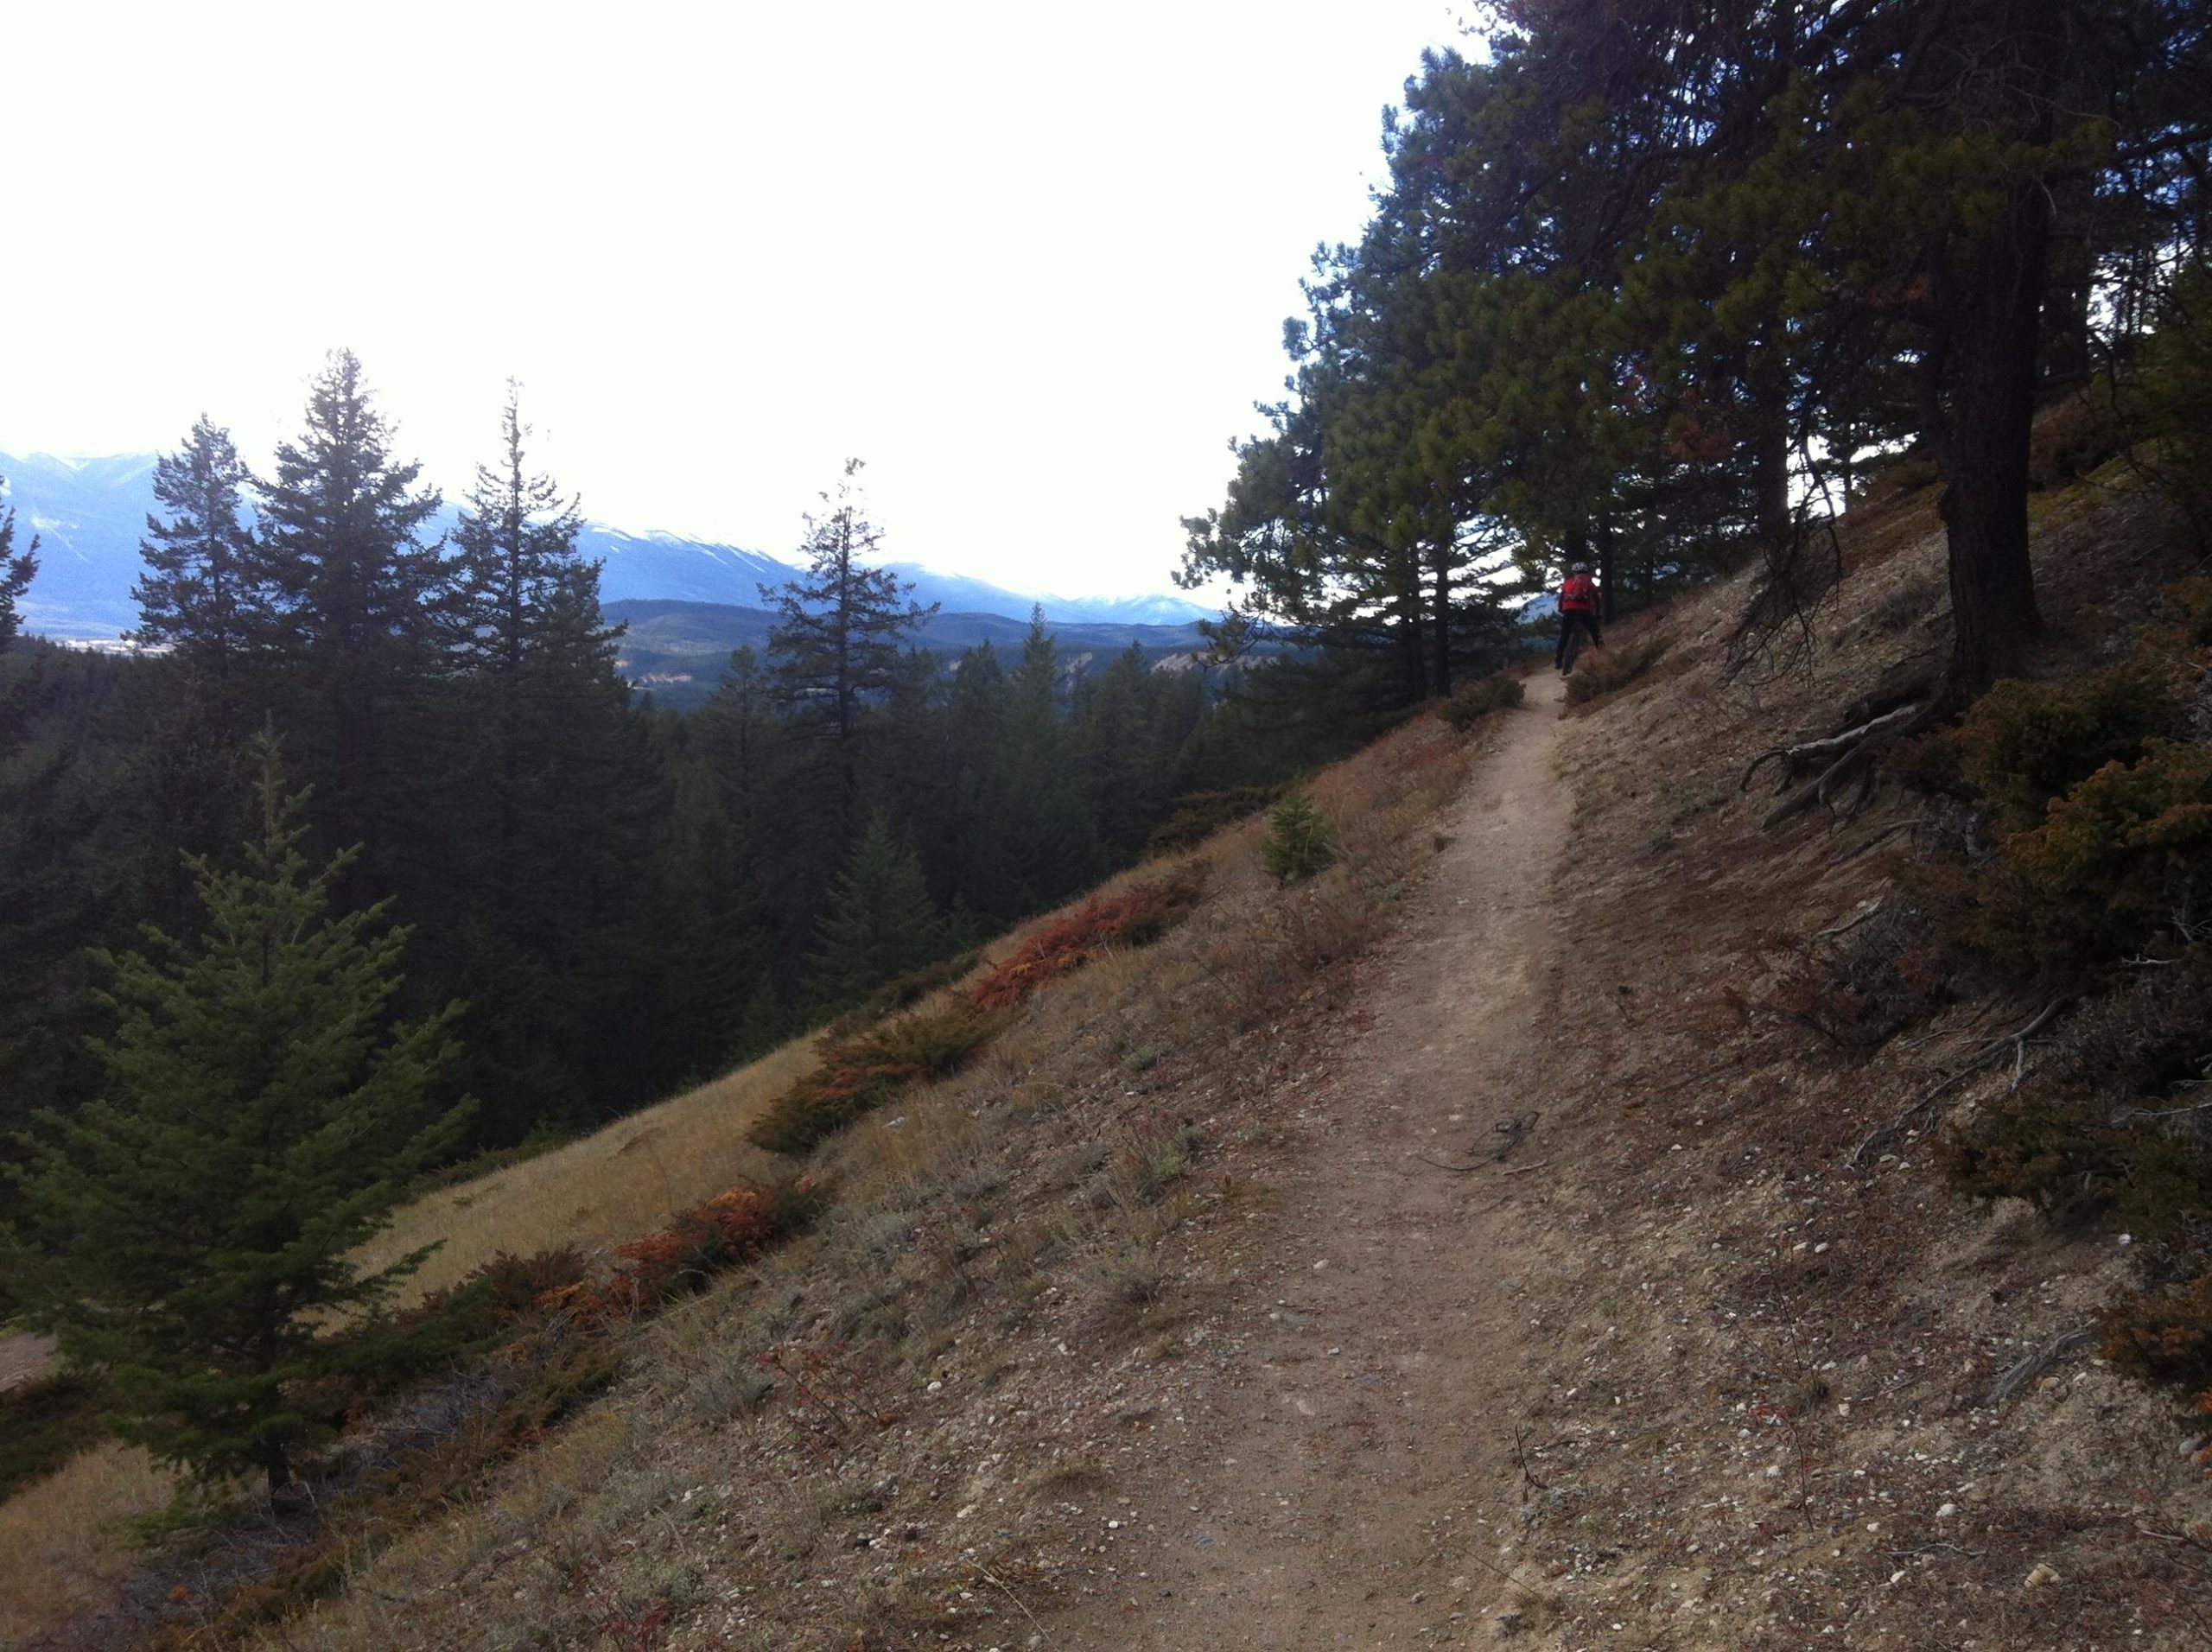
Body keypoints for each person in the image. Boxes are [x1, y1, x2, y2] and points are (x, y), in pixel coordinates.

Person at [1554, 562, 1603, 674]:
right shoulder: (1589, 582)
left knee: (1564, 635)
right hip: (1585, 611)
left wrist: (1561, 609)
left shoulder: (1567, 582)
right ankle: (1603, 652)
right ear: (1586, 572)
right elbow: (1597, 599)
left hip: (1569, 611)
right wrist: (1598, 613)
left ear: (1573, 572)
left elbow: (1561, 598)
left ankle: (1558, 659)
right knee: (1595, 632)